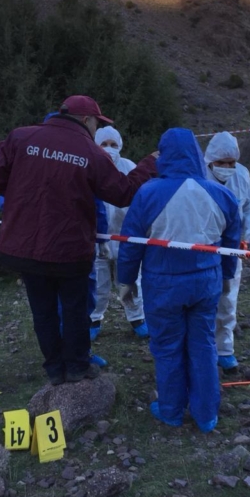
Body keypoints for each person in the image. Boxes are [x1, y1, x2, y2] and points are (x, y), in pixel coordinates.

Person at [0, 95, 157, 386]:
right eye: (97, 124)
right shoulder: (90, 152)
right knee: (75, 308)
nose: (96, 130)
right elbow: (123, 192)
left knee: (42, 309)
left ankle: (54, 369)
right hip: (69, 249)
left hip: (23, 246)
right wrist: (149, 164)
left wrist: (20, 191)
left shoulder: (22, 136)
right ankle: (76, 367)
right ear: (86, 120)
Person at [117, 128, 241, 433]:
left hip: (163, 283)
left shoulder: (147, 192)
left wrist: (126, 280)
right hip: (206, 281)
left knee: (167, 346)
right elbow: (231, 242)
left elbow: (131, 241)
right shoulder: (221, 194)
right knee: (203, 343)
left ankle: (171, 410)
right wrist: (226, 275)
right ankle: (206, 414)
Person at [203, 131, 250, 371]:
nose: (227, 167)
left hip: (233, 247)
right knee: (203, 298)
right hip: (203, 246)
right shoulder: (198, 175)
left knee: (227, 298)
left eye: (231, 163)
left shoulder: (243, 175)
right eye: (221, 163)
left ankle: (225, 349)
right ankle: (202, 348)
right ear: (210, 160)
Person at [90, 125, 149, 341]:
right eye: (103, 144)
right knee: (98, 282)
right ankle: (93, 319)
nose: (109, 149)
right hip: (98, 240)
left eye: (113, 144)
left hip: (126, 238)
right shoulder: (89, 167)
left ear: (120, 146)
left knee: (130, 280)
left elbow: (140, 202)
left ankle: (137, 318)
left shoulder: (129, 168)